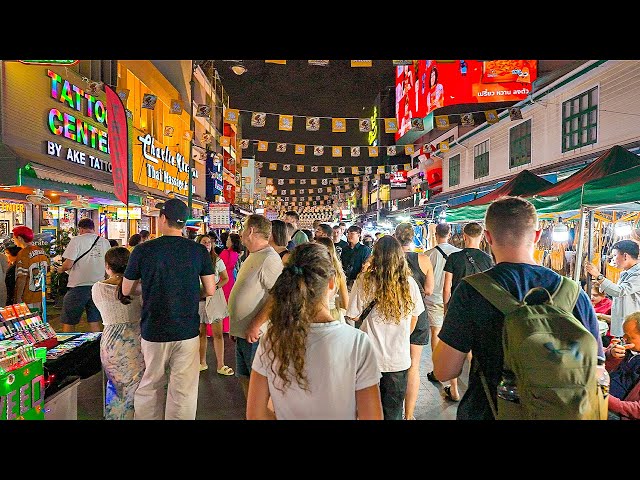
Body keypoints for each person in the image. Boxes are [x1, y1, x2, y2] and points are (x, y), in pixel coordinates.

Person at [433, 196, 604, 420]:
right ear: (537, 235)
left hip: (487, 411)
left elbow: (445, 371)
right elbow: (597, 369)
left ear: (488, 237)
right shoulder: (572, 292)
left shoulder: (471, 291)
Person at [246, 242, 383, 420]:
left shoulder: (273, 339)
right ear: (332, 283)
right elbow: (371, 416)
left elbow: (255, 413)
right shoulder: (357, 343)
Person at [122, 198, 216, 420]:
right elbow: (210, 289)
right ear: (183, 223)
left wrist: (150, 288)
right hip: (187, 329)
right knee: (183, 389)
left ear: (163, 219)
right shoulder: (198, 251)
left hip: (154, 328)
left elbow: (126, 290)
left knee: (151, 384)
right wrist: (191, 292)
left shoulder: (143, 250)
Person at [346, 235, 425, 420]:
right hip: (398, 358)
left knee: (367, 411)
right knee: (394, 412)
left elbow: (353, 315)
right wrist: (401, 336)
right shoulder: (409, 283)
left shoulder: (364, 280)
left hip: (368, 359)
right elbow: (414, 318)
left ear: (376, 255)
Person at [228, 214, 284, 400]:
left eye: (244, 229)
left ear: (251, 231)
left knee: (260, 383)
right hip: (243, 333)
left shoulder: (269, 259)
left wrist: (254, 324)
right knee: (246, 378)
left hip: (256, 335)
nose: (241, 233)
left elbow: (278, 296)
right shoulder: (253, 256)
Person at [441, 221, 494, 401]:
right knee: (476, 349)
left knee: (456, 349)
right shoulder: (489, 259)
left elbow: (447, 287)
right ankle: (477, 387)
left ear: (464, 236)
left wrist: (446, 308)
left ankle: (454, 390)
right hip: (483, 309)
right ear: (482, 237)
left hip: (458, 308)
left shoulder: (454, 258)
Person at [91, 246, 145, 420]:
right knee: (138, 387)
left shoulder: (98, 288)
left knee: (116, 388)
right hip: (137, 340)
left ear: (107, 266)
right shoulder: (140, 287)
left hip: (111, 344)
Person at [394, 222, 435, 420]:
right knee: (414, 366)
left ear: (395, 236)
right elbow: (429, 290)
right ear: (412, 238)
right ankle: (409, 415)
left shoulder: (388, 259)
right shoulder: (424, 259)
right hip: (417, 315)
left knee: (391, 364)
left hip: (392, 315)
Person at [54, 218, 112, 333]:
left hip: (78, 286)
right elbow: (108, 264)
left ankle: (69, 346)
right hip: (98, 286)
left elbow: (68, 264)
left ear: (80, 229)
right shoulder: (104, 242)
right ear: (93, 228)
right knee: (95, 320)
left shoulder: (76, 241)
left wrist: (60, 269)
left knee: (69, 320)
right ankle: (96, 347)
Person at [424, 222, 461, 384]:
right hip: (453, 299)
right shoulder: (458, 254)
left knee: (435, 334)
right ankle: (453, 376)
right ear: (450, 233)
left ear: (435, 234)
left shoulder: (428, 255)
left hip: (433, 299)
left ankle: (437, 369)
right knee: (453, 336)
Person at [586, 239, 640, 339]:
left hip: (633, 330)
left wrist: (598, 276)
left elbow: (619, 291)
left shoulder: (638, 274)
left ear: (625, 256)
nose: (613, 259)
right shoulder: (625, 273)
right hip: (622, 329)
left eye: (615, 255)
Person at [195, 234, 232, 375]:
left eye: (209, 243)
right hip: (199, 300)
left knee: (218, 333)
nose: (207, 245)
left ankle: (220, 364)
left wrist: (214, 287)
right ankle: (201, 362)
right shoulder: (193, 260)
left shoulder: (217, 260)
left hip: (214, 299)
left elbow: (225, 278)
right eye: (204, 242)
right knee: (201, 333)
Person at [605, 311, 640, 420]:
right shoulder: (629, 350)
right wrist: (612, 355)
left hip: (619, 413)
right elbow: (604, 364)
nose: (624, 338)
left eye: (629, 336)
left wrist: (605, 398)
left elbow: (637, 410)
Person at [12, 226, 49, 314]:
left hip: (28, 296)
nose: (13, 240)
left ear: (20, 238)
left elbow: (22, 278)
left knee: (28, 322)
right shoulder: (41, 251)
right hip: (40, 293)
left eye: (14, 238)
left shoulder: (23, 253)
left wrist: (18, 298)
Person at [315, 236, 349, 322]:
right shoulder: (338, 273)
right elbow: (346, 304)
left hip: (312, 314)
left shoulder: (309, 271)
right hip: (333, 314)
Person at [219, 232, 242, 334]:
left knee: (221, 302)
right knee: (228, 303)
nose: (227, 241)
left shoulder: (225, 253)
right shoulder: (236, 254)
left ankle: (222, 326)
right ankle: (228, 326)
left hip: (223, 279)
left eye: (228, 240)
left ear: (232, 242)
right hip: (231, 279)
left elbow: (218, 266)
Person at [340, 224, 372, 291]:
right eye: (348, 233)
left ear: (359, 235)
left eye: (352, 233)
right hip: (344, 280)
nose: (349, 236)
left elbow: (366, 266)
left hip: (357, 282)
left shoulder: (365, 249)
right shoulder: (345, 249)